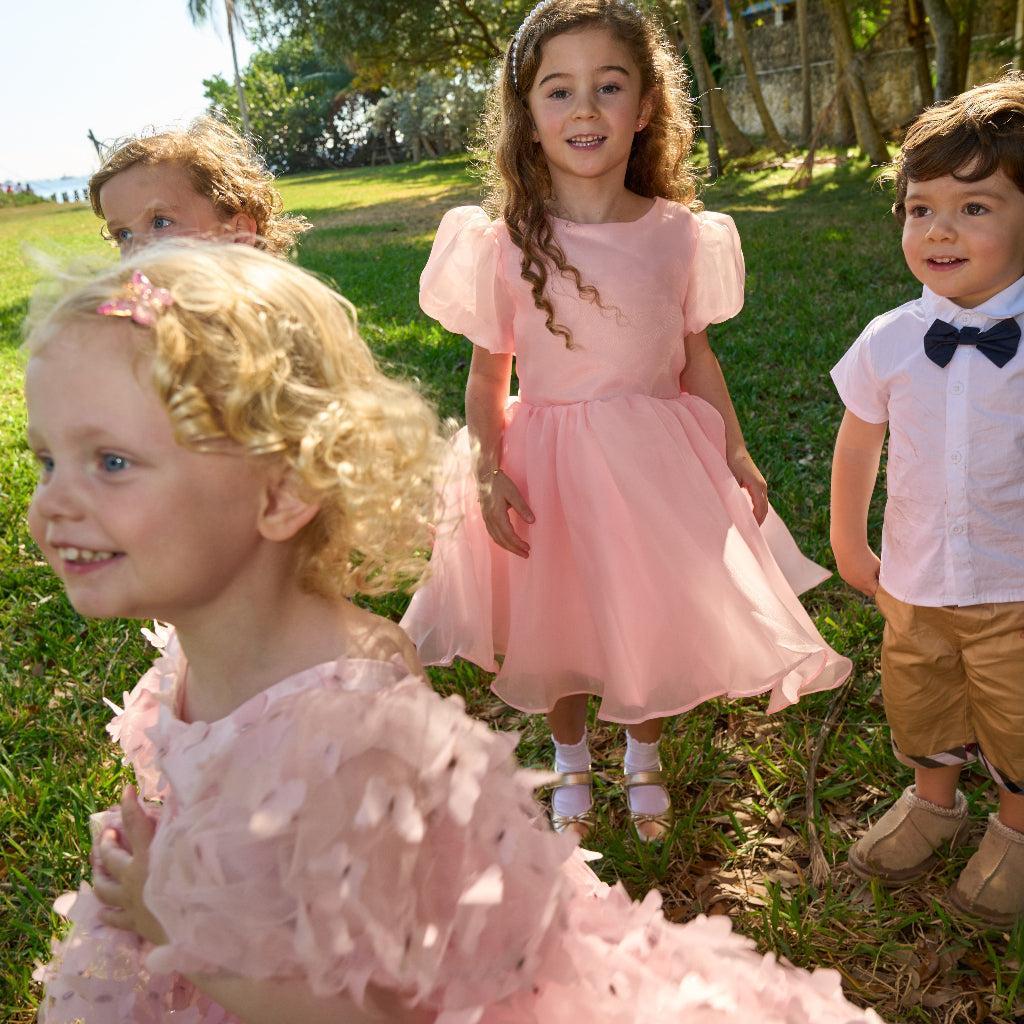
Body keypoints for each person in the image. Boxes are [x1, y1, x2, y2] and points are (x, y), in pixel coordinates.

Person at [28, 241, 879, 1023]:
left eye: (110, 463)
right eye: (45, 460)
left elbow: (387, 1008)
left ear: (281, 495)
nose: (53, 503)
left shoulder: (345, 726)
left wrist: (173, 922)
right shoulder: (201, 655)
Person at [401, 0, 851, 841]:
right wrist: (489, 468)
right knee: (556, 616)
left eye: (608, 87)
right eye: (558, 91)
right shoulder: (501, 242)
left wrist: (739, 451)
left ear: (644, 108)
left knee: (646, 612)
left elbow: (696, 356)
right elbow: (487, 370)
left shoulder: (680, 235)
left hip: (652, 461)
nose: (584, 110)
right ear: (527, 117)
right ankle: (571, 759)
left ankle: (642, 754)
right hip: (549, 461)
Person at [830, 74, 1024, 927]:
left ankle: (1016, 832)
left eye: (975, 208)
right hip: (912, 581)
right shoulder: (891, 339)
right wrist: (848, 541)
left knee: (1017, 717)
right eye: (920, 208)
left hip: (1015, 589)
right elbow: (858, 440)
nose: (940, 229)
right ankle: (934, 802)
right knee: (920, 698)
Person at [87, 116, 310, 257]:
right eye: (124, 235)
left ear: (238, 235)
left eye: (160, 222)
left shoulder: (263, 314)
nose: (138, 251)